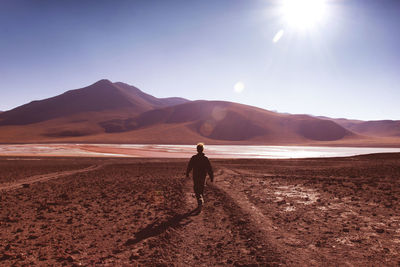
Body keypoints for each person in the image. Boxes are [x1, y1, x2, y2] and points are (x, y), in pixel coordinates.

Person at [186, 143, 214, 208]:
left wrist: (187, 173)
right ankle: (200, 200)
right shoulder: (205, 158)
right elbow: (209, 168)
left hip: (196, 176)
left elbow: (190, 166)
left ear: (197, 150)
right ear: (202, 150)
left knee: (196, 189)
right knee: (201, 189)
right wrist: (211, 176)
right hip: (202, 176)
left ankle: (199, 201)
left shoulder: (194, 158)